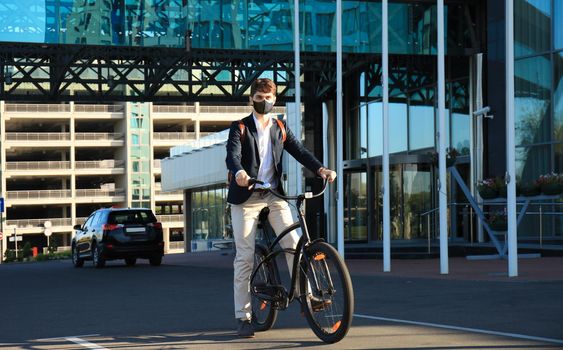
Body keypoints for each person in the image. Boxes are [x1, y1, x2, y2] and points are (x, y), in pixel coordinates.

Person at [225, 78, 336, 338]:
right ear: (252, 98)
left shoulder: (280, 127)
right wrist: (239, 172)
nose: (265, 102)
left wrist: (320, 169)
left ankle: (308, 297)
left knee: (293, 243)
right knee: (244, 257)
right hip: (246, 198)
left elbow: (299, 150)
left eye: (270, 98)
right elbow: (232, 155)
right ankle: (244, 316)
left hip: (274, 195)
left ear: (275, 100)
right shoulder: (239, 127)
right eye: (260, 97)